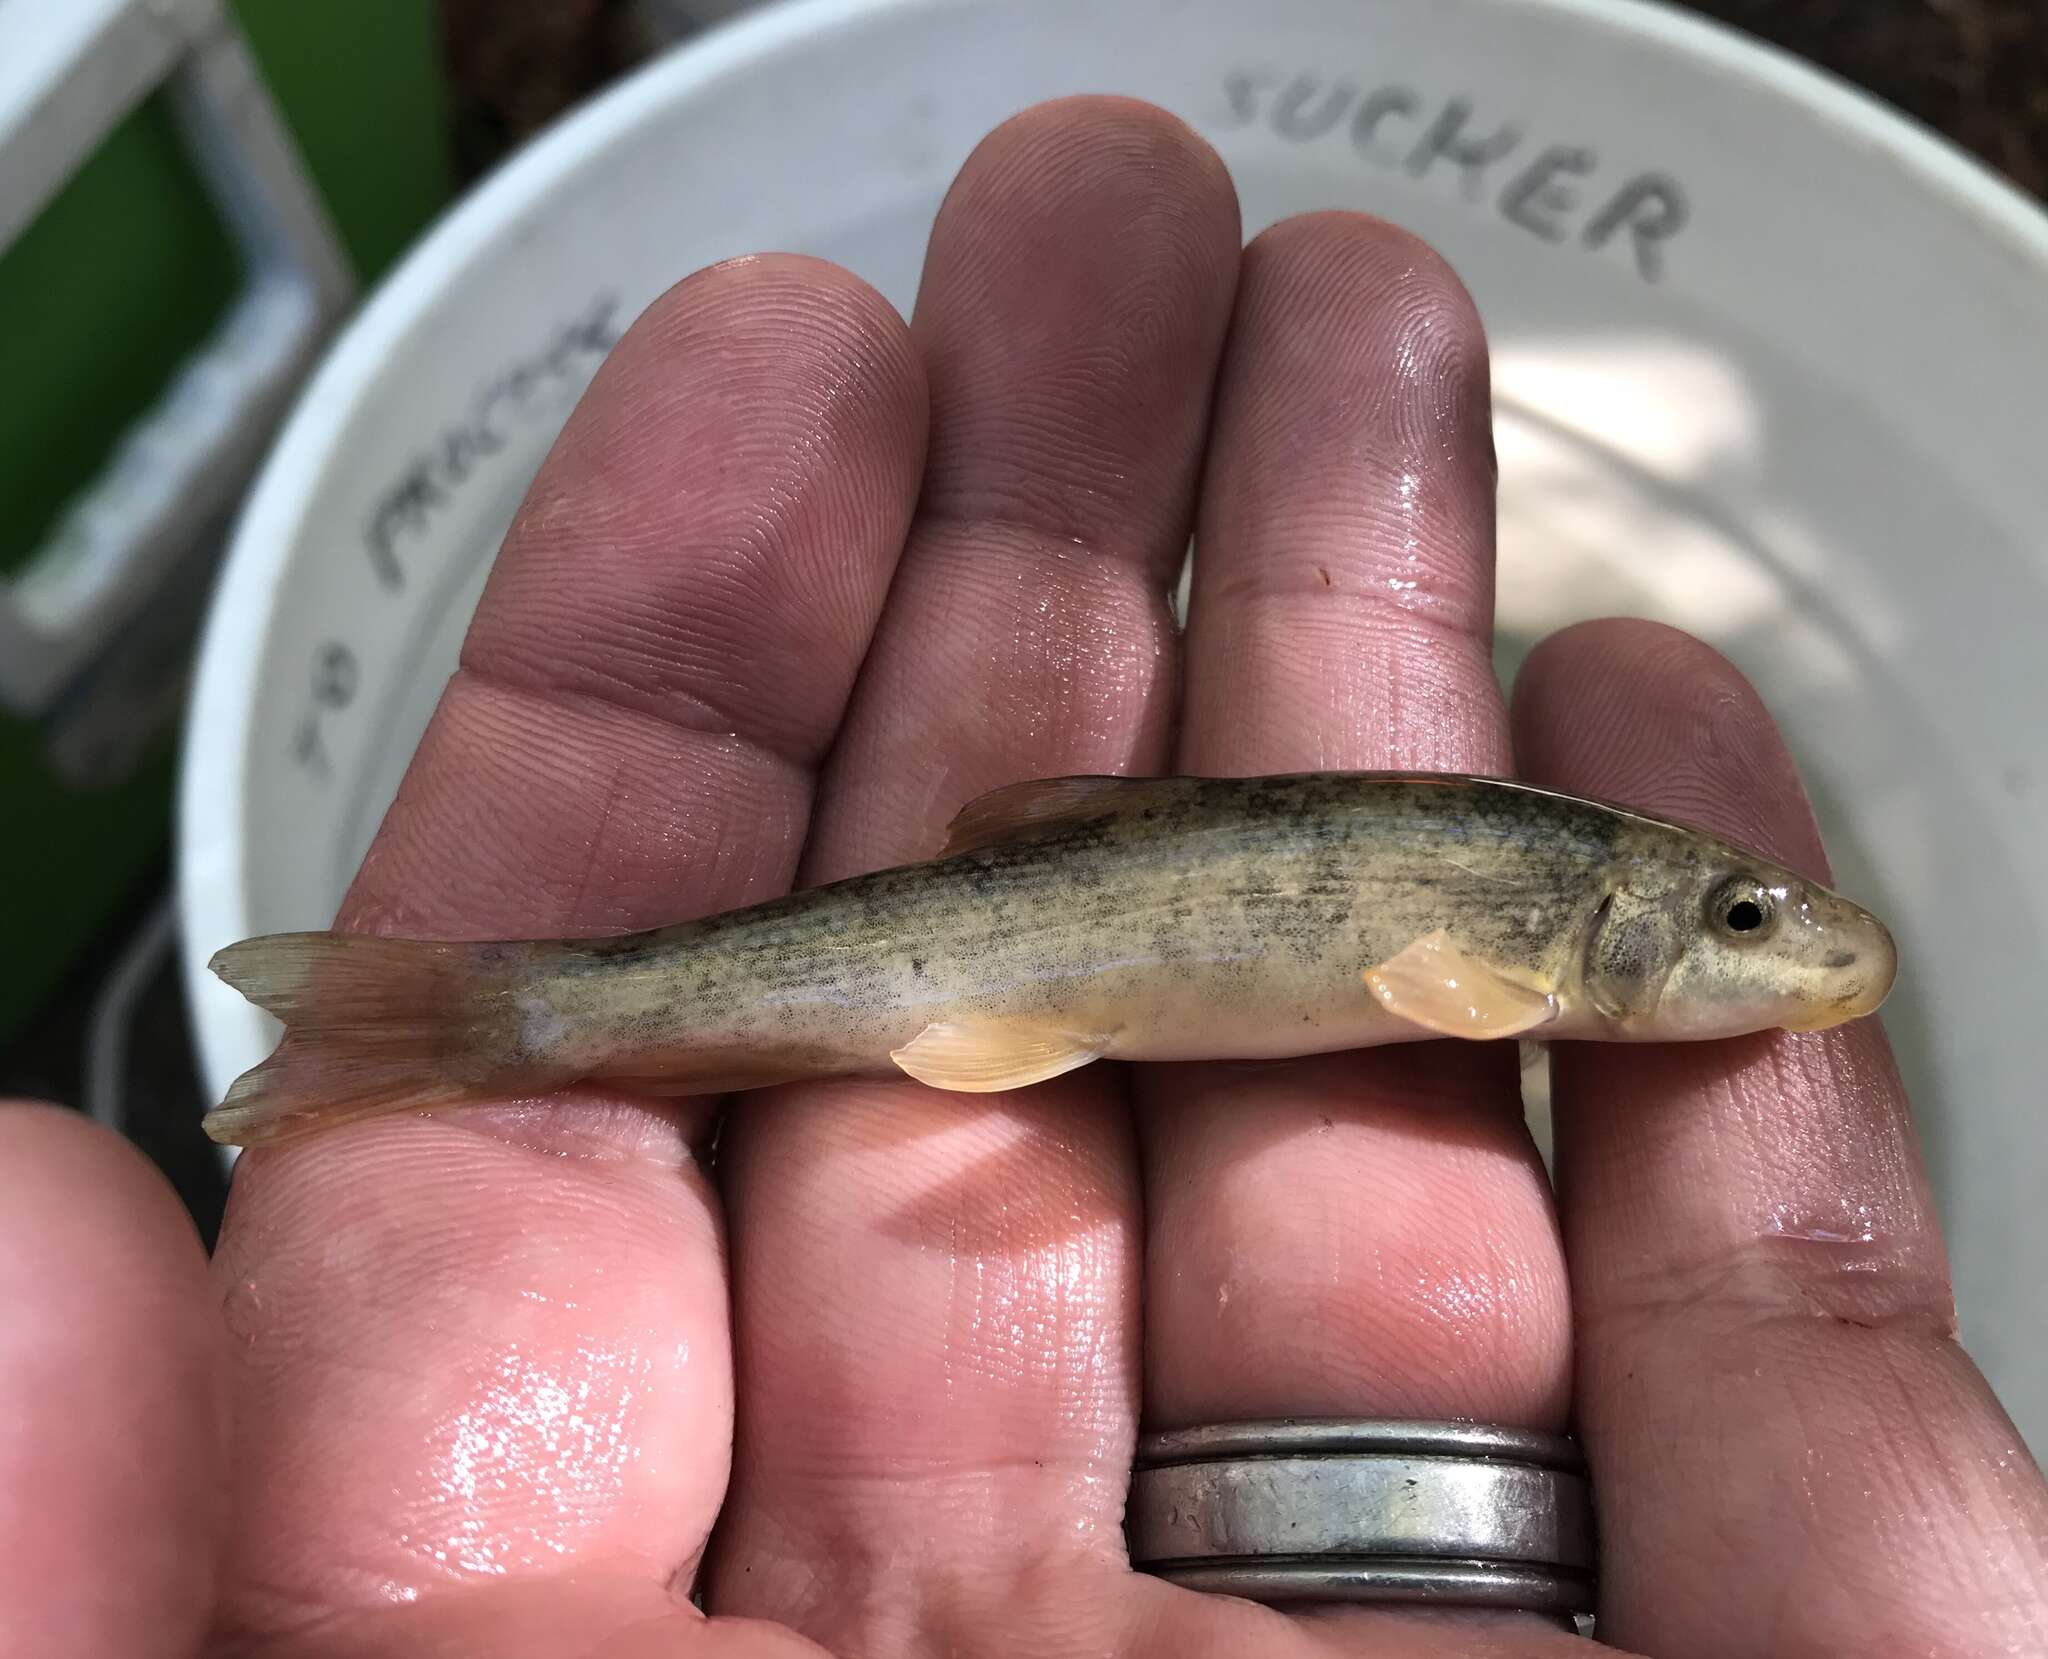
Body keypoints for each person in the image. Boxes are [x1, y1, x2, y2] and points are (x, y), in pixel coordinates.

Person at [3, 96, 2042, 1659]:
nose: (1779, 948)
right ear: (1622, 918)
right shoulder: (1524, 931)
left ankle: (499, 1013)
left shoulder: (1542, 920)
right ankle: (500, 1012)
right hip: (1013, 943)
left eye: (1748, 917)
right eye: (1742, 922)